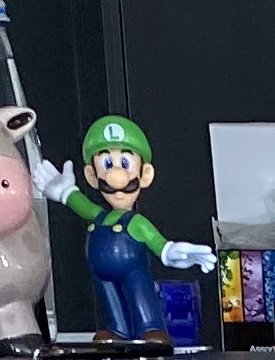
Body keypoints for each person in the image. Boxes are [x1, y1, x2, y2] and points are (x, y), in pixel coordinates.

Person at [52, 115, 212, 339]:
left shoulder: (135, 222)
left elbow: (157, 242)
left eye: (125, 163)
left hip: (133, 272)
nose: (115, 176)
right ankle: (118, 331)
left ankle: (150, 328)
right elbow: (81, 204)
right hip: (102, 275)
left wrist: (170, 252)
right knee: (111, 302)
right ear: (92, 175)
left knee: (140, 295)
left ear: (144, 174)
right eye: (107, 164)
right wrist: (64, 191)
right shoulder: (99, 216)